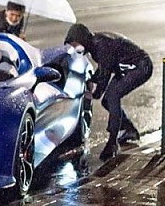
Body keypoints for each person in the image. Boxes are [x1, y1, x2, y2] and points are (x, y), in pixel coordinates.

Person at [64, 23, 153, 162]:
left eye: (76, 44)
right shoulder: (95, 45)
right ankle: (129, 130)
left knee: (112, 96)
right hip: (126, 68)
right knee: (107, 101)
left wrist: (94, 94)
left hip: (140, 67)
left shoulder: (101, 45)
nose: (76, 48)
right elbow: (103, 69)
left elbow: (104, 77)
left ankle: (112, 143)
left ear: (83, 39)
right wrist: (91, 79)